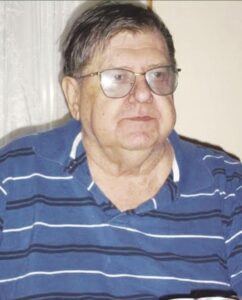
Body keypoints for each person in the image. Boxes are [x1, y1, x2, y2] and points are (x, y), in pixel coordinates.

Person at [0, 0, 241, 298]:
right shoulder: (10, 178)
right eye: (117, 78)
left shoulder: (230, 188)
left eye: (158, 76)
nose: (143, 93)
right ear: (73, 96)